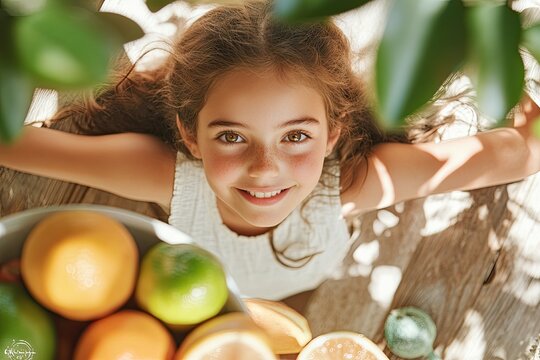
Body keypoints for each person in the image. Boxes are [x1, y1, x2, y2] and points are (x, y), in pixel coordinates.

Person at [1, 1, 539, 300]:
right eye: (232, 136)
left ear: (333, 132)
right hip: (191, 295)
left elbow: (519, 154)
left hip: (303, 284)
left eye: (297, 136)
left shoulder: (351, 182)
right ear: (190, 133)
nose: (266, 168)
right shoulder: (164, 174)